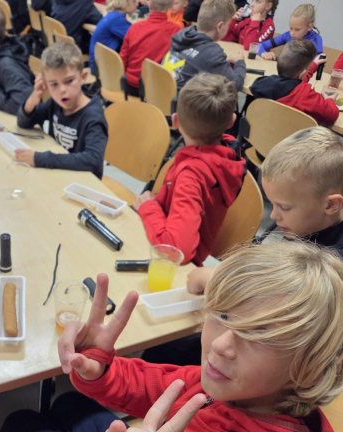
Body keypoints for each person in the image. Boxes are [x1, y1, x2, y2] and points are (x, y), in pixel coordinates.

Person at [0, 241, 343, 432]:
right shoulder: (228, 388)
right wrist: (97, 368)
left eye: (259, 336)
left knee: (20, 427)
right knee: (69, 402)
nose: (220, 344)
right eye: (223, 315)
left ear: (308, 366)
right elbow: (149, 383)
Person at [144, 126, 343, 366]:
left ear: (331, 205)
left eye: (284, 207)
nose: (274, 216)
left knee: (168, 352)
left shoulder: (334, 263)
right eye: (273, 205)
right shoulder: (307, 227)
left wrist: (219, 278)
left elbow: (291, 304)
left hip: (289, 359)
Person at [132, 73, 246, 266]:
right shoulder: (228, 155)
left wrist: (148, 208)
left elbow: (178, 250)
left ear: (175, 121)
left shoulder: (191, 175)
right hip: (166, 239)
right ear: (231, 121)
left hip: (172, 265)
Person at [14, 42, 107, 179]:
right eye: (54, 84)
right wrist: (35, 96)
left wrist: (39, 159)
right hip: (59, 174)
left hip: (83, 181)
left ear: (83, 77)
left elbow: (93, 160)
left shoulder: (93, 116)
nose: (62, 90)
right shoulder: (56, 103)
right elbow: (24, 122)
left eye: (69, 81)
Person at [250, 39, 339, 125]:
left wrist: (312, 67)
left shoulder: (261, 83)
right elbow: (332, 115)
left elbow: (294, 84)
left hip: (260, 132)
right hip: (292, 135)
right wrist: (330, 100)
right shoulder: (306, 95)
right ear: (302, 73)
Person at [164, 0, 246, 91]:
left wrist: (223, 61)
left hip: (162, 94)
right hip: (184, 99)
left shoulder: (182, 35)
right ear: (220, 26)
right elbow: (235, 85)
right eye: (228, 25)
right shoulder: (211, 52)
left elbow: (196, 59)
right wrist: (240, 62)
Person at [119, 0, 180, 98]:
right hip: (157, 91)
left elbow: (123, 59)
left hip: (130, 86)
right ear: (171, 6)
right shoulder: (177, 31)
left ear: (150, 5)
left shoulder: (134, 28)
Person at [89, 0, 137, 77]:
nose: (137, 4)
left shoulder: (113, 16)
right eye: (133, 1)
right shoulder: (117, 19)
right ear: (125, 3)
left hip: (98, 63)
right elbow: (136, 38)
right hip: (103, 67)